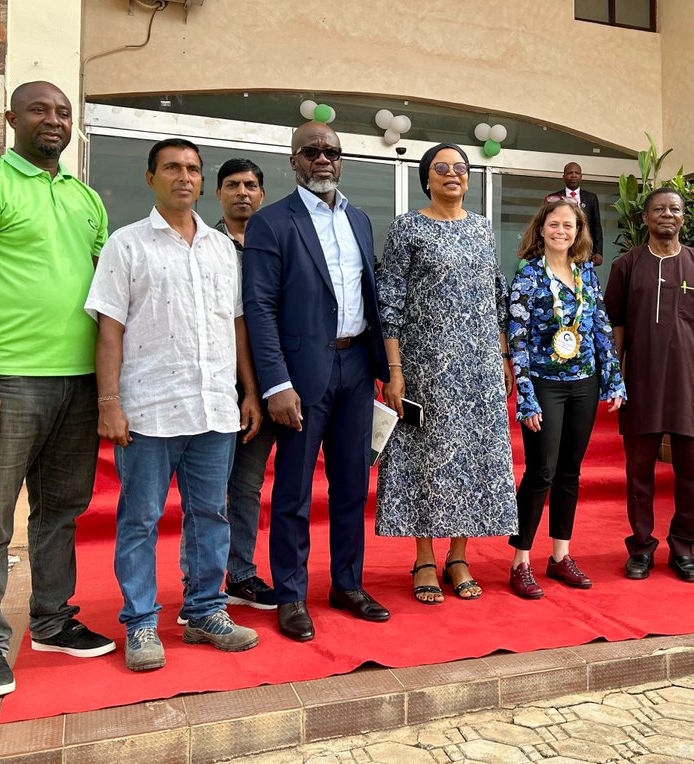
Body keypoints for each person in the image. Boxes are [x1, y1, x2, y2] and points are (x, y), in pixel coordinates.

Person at [0, 81, 116, 699]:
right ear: (11, 118)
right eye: (40, 109)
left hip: (78, 383)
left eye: (64, 112)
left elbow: (102, 293)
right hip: (5, 382)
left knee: (61, 511)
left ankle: (51, 620)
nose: (54, 120)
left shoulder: (87, 199)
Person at [86, 138, 261, 671]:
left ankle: (206, 612)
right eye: (171, 168)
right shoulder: (127, 244)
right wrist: (109, 401)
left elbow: (236, 326)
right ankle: (140, 623)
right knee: (139, 519)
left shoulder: (218, 249)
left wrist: (250, 391)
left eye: (191, 169)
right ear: (150, 178)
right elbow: (109, 327)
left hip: (213, 410)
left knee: (211, 515)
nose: (183, 177)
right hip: (148, 410)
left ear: (201, 181)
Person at [243, 123, 391, 642]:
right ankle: (291, 594)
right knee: (294, 491)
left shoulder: (360, 220)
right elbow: (259, 308)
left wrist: (385, 371)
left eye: (331, 150)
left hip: (356, 369)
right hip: (301, 376)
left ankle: (347, 584)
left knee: (352, 485)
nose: (322, 159)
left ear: (341, 160)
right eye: (312, 152)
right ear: (294, 160)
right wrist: (275, 383)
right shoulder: (271, 223)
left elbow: (370, 299)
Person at [377, 143, 518, 604]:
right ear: (427, 178)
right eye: (442, 169)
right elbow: (390, 301)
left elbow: (496, 298)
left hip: (477, 366)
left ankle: (459, 556)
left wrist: (502, 358)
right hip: (425, 364)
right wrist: (394, 370)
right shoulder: (407, 227)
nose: (452, 175)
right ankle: (423, 557)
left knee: (471, 459)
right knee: (427, 458)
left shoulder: (481, 228)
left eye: (460, 169)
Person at [604, 188, 694, 583]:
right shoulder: (626, 265)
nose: (667, 215)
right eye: (658, 209)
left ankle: (684, 549)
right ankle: (641, 548)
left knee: (692, 474)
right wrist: (616, 377)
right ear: (644, 218)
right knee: (639, 473)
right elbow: (617, 327)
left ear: (683, 218)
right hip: (641, 386)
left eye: (674, 209)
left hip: (691, 387)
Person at [506, 198, 625, 598]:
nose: (561, 231)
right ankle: (520, 561)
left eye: (569, 226)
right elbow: (517, 341)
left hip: (584, 383)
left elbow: (600, 328)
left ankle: (560, 556)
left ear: (579, 233)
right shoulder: (527, 276)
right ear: (541, 229)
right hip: (544, 384)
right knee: (542, 471)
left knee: (570, 472)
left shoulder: (586, 274)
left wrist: (614, 379)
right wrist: (525, 397)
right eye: (554, 224)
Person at [212, 158, 279, 610]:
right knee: (210, 487)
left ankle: (241, 575)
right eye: (233, 184)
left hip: (267, 379)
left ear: (262, 194)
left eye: (251, 185)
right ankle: (199, 585)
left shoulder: (275, 243)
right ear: (218, 193)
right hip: (215, 381)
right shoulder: (204, 244)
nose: (242, 192)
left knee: (248, 485)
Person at [554, 162, 604, 266]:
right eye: (570, 173)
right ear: (564, 177)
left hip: (584, 250)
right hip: (561, 248)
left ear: (581, 176)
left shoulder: (591, 198)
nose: (573, 175)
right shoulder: (554, 198)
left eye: (577, 173)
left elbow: (596, 226)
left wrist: (598, 252)